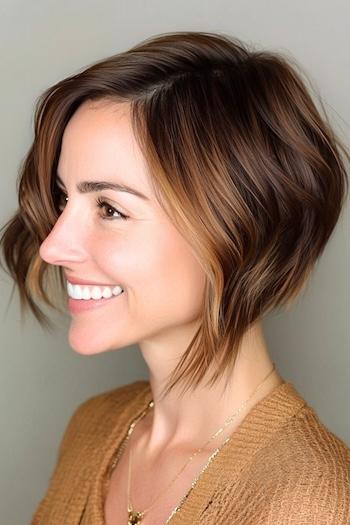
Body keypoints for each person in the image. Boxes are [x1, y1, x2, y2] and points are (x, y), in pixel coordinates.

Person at [1, 30, 349, 525]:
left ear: (234, 229)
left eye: (109, 208)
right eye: (63, 199)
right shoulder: (94, 426)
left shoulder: (314, 503)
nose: (53, 245)